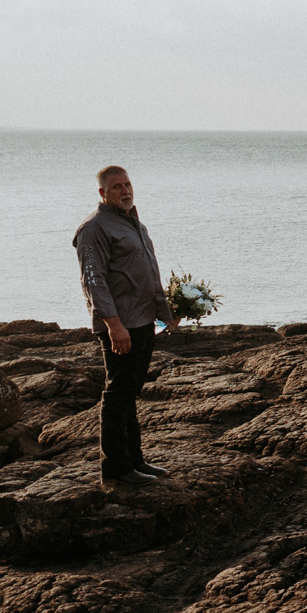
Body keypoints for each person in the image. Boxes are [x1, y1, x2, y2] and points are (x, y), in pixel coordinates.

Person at [73, 165, 174, 487]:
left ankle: (135, 459)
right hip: (120, 324)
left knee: (130, 392)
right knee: (117, 393)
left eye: (128, 184)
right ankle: (115, 467)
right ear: (103, 193)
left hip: (144, 319)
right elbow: (93, 280)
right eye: (117, 187)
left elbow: (150, 272)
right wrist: (113, 325)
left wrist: (166, 312)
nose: (125, 191)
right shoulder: (94, 228)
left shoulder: (135, 224)